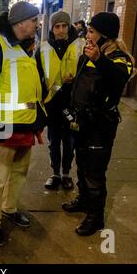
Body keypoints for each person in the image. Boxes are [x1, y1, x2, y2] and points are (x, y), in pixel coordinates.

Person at [0, 1, 47, 246]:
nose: (37, 24)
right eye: (34, 20)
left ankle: (10, 208)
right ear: (21, 23)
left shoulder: (26, 46)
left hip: (26, 124)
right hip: (4, 126)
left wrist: (40, 117)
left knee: (19, 173)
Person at [62, 12, 133, 236]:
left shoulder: (119, 58)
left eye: (92, 31)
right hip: (81, 122)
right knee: (81, 165)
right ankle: (83, 200)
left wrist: (99, 60)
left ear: (105, 36)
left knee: (95, 172)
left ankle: (96, 217)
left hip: (100, 126)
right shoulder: (88, 54)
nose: (87, 35)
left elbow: (118, 80)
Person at [36, 11, 83, 190]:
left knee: (69, 141)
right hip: (52, 104)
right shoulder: (43, 48)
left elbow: (88, 75)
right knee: (54, 141)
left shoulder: (81, 45)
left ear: (69, 26)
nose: (61, 30)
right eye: (57, 26)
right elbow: (38, 76)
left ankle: (66, 174)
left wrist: (75, 80)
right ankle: (55, 173)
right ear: (52, 28)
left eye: (64, 26)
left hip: (72, 104)